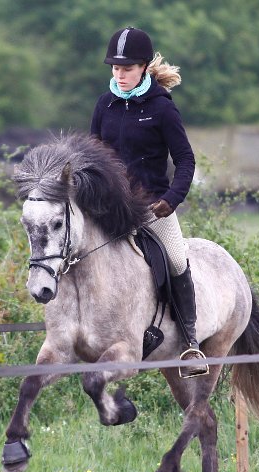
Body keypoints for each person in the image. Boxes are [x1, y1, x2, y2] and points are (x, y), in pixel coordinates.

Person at [90, 26, 208, 378]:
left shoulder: (161, 108)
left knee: (175, 258)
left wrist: (171, 199)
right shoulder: (105, 104)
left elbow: (185, 160)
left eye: (126, 69)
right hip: (111, 208)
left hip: (152, 206)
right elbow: (93, 155)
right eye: (114, 68)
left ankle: (190, 344)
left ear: (143, 67)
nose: (119, 75)